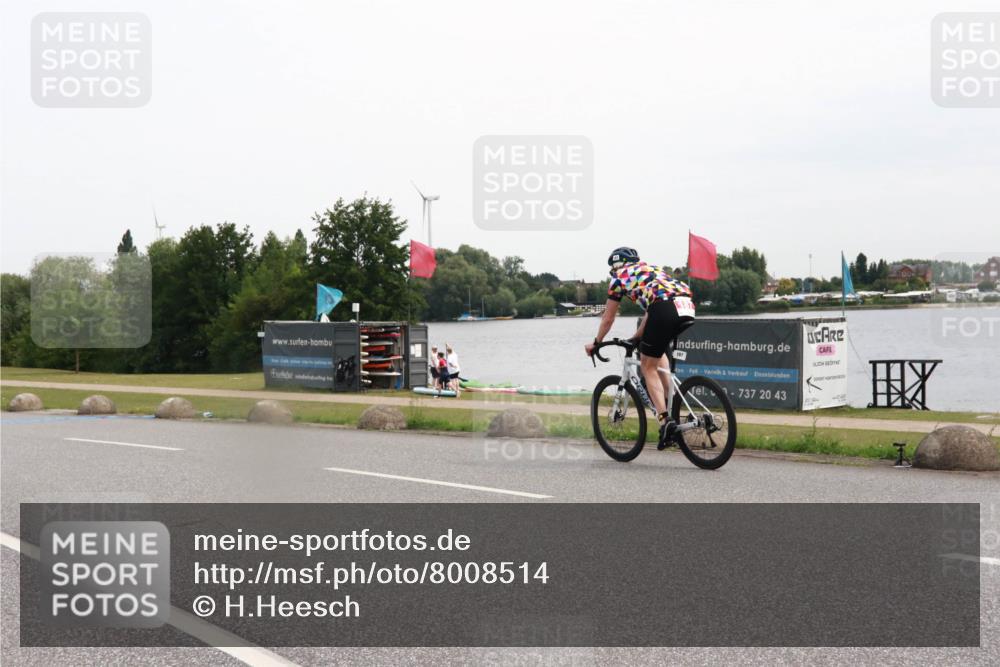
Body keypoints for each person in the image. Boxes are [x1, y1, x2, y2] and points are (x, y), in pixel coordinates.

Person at [584, 246, 695, 448]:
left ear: (617, 265)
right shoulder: (651, 270)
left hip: (664, 308)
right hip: (686, 305)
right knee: (656, 354)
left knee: (647, 367)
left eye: (612, 268)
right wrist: (636, 337)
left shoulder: (619, 278)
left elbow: (608, 318)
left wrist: (597, 342)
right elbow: (651, 311)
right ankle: (674, 409)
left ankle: (664, 421)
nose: (613, 272)